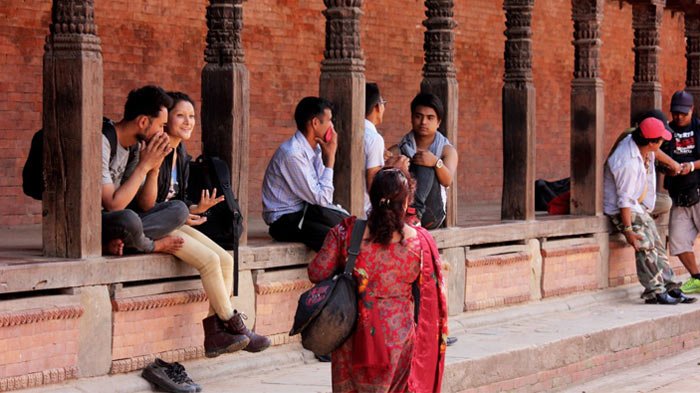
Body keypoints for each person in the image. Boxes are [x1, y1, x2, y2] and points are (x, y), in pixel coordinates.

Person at [135, 92, 270, 357]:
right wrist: (179, 208)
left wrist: (196, 209)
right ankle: (234, 325)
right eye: (180, 116)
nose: (188, 122)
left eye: (192, 117)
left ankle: (215, 334)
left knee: (227, 261)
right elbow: (145, 204)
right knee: (209, 260)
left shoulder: (181, 154)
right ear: (165, 119)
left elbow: (175, 201)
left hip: (172, 220)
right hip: (149, 223)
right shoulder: (153, 149)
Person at [308, 167, 448, 392]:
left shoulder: (345, 233)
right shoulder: (420, 243)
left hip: (351, 335)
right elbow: (433, 296)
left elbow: (316, 272)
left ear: (372, 198)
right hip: (398, 339)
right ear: (405, 203)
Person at [603, 116, 694, 304]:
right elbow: (624, 201)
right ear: (652, 142)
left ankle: (669, 285)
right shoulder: (626, 161)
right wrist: (628, 231)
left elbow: (657, 153)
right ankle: (654, 291)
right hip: (621, 209)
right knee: (645, 242)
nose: (661, 143)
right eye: (659, 140)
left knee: (657, 242)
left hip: (638, 204)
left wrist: (673, 164)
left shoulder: (639, 141)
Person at [101, 85, 188, 256]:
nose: (163, 132)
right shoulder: (103, 141)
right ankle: (149, 245)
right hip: (95, 221)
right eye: (161, 125)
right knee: (129, 219)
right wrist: (144, 166)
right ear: (143, 122)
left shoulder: (135, 147)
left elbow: (145, 204)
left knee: (179, 209)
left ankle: (120, 243)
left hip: (119, 222)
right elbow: (112, 205)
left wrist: (154, 169)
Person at [262, 96, 348, 251]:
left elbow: (323, 197)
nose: (332, 127)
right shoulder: (293, 154)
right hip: (285, 220)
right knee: (335, 236)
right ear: (315, 123)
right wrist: (331, 159)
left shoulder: (314, 150)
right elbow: (322, 198)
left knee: (346, 227)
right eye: (330, 120)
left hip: (305, 212)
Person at [389, 92, 458, 229]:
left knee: (424, 161)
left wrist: (436, 162)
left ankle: (414, 212)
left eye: (430, 118)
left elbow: (447, 180)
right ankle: (407, 213)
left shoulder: (447, 151)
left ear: (438, 122)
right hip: (399, 211)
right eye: (418, 116)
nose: (423, 122)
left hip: (431, 213)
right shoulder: (399, 149)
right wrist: (391, 164)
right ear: (412, 118)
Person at [661, 90, 700, 294]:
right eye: (675, 113)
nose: (678, 117)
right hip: (678, 195)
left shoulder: (699, 128)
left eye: (683, 113)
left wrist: (691, 166)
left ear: (691, 110)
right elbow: (659, 158)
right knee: (677, 240)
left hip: (699, 190)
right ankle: (697, 278)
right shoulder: (667, 131)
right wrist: (669, 168)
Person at [363, 83, 387, 218]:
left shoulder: (343, 132)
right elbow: (373, 184)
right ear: (377, 106)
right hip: (364, 211)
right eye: (383, 103)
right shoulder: (374, 139)